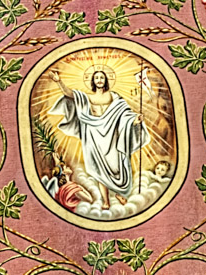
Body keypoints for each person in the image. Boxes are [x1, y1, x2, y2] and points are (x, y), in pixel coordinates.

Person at [48, 69, 150, 209]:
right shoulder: (87, 97)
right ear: (93, 81)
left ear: (106, 80)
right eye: (96, 78)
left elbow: (125, 113)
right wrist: (59, 81)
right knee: (100, 169)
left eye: (102, 77)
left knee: (117, 166)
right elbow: (70, 94)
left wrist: (134, 119)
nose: (99, 80)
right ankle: (106, 201)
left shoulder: (114, 97)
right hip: (94, 135)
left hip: (112, 135)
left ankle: (119, 194)